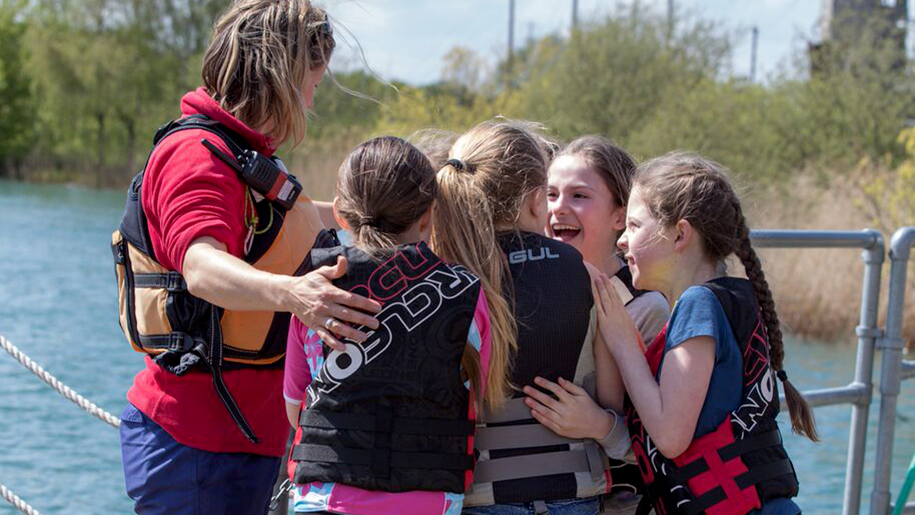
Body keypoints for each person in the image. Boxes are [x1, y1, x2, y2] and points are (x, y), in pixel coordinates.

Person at [113, 2, 383, 514]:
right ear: (279, 76)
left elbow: (296, 225)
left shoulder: (244, 155)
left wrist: (391, 217)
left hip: (248, 439)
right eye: (313, 82)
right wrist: (295, 294)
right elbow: (201, 266)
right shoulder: (195, 156)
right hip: (197, 445)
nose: (310, 101)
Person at [592, 152, 818, 515]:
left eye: (633, 226)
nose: (621, 240)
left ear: (680, 234)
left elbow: (669, 436)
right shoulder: (728, 300)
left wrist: (622, 344)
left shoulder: (698, 305)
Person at [283, 136, 498, 515]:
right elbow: (475, 402)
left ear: (340, 214)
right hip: (427, 499)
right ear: (429, 215)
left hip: (324, 499)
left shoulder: (313, 289)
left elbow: (295, 407)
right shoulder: (465, 291)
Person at [434, 120, 625, 515]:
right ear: (537, 200)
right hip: (573, 490)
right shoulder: (582, 274)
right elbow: (612, 400)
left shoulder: (444, 276)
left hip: (478, 494)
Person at [533, 135, 671, 513]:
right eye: (550, 194)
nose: (559, 209)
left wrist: (599, 425)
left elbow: (670, 441)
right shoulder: (528, 292)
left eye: (579, 196)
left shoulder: (647, 308)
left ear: (618, 217)